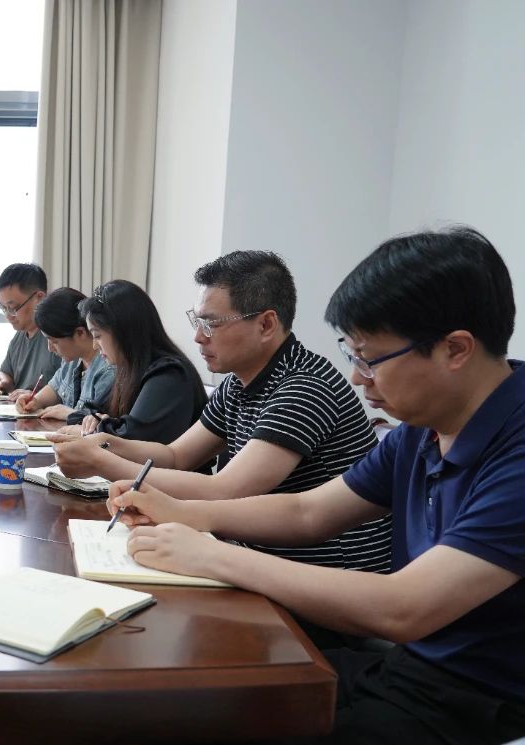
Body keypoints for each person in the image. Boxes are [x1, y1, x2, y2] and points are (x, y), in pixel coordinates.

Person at [107, 227, 525, 744]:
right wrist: (187, 514)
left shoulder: (512, 444)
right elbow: (309, 512)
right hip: (411, 671)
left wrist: (209, 555)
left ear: (454, 349)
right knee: (194, 698)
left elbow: (406, 606)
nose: (357, 377)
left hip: (481, 704)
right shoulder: (422, 431)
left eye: (369, 359)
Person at [52, 250, 392, 574]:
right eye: (198, 322)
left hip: (319, 572)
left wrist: (101, 461)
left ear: (266, 324)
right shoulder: (238, 383)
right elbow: (175, 456)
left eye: (211, 324)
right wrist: (106, 443)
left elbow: (225, 490)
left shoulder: (304, 386)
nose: (198, 338)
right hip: (256, 555)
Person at [63, 280, 207, 443]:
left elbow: (133, 437)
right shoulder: (128, 369)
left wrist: (97, 428)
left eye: (97, 336)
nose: (95, 345)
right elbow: (83, 414)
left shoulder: (169, 374)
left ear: (123, 330)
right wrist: (94, 421)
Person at [14, 288, 114, 420]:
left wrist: (71, 414)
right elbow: (55, 387)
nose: (50, 348)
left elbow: (97, 421)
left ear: (80, 333)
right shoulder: (73, 359)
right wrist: (35, 400)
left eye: (54, 341)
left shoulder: (108, 370)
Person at [0, 263, 61, 400]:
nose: (8, 316)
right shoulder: (19, 336)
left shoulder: (57, 336)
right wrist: (0, 381)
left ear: (39, 298)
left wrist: (38, 398)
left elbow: (69, 390)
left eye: (13, 308)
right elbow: (7, 373)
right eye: (3, 308)